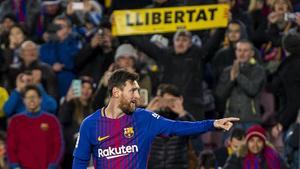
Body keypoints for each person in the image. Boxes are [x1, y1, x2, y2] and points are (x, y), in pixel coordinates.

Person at [72, 69, 239, 169]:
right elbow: (79, 163)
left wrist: (213, 124)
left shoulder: (144, 118)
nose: (137, 96)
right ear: (116, 92)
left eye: (138, 91)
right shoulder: (90, 124)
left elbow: (177, 127)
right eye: (133, 91)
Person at [6, 85, 63, 169]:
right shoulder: (15, 121)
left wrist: (53, 166)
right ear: (23, 100)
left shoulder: (51, 120)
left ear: (40, 99)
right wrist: (15, 166)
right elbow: (10, 146)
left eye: (34, 97)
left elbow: (59, 145)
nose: (31, 100)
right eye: (28, 97)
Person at [216, 39, 266, 129]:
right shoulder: (228, 71)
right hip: (230, 120)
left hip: (251, 120)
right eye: (239, 50)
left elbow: (252, 90)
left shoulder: (258, 70)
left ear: (252, 53)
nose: (241, 54)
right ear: (235, 52)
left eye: (245, 50)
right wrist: (231, 80)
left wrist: (238, 76)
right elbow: (220, 95)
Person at [146, 84, 195, 169]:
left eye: (172, 100)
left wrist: (182, 114)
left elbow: (195, 135)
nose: (168, 105)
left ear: (180, 99)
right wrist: (146, 112)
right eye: (165, 101)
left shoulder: (184, 118)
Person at [223, 124, 288, 169]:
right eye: (252, 141)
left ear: (264, 143)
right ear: (247, 143)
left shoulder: (273, 157)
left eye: (259, 141)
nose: (255, 145)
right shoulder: (237, 156)